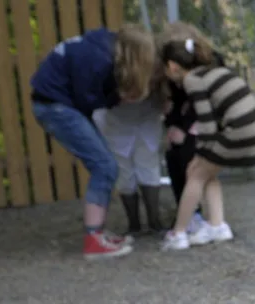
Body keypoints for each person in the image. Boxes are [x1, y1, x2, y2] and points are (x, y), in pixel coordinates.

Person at [30, 25, 158, 259]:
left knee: (105, 165)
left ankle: (97, 232)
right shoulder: (99, 61)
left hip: (54, 102)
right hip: (55, 106)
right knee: (104, 166)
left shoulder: (102, 45)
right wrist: (116, 97)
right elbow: (87, 99)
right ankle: (93, 240)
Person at [158, 34, 255, 251]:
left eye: (164, 68)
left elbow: (206, 123)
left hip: (237, 132)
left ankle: (178, 233)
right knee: (208, 172)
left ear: (173, 66)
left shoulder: (192, 80)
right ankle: (217, 225)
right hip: (253, 131)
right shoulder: (212, 72)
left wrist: (200, 152)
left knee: (195, 172)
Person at [157, 22, 227, 240]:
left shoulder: (210, 65)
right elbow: (177, 102)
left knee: (195, 168)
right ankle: (211, 222)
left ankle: (188, 222)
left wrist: (185, 130)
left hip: (210, 121)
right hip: (193, 121)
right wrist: (172, 125)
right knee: (175, 156)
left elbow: (204, 104)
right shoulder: (177, 73)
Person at [93, 87, 167, 236]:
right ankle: (134, 224)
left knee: (148, 167)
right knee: (124, 172)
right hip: (115, 119)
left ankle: (154, 221)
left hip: (146, 116)